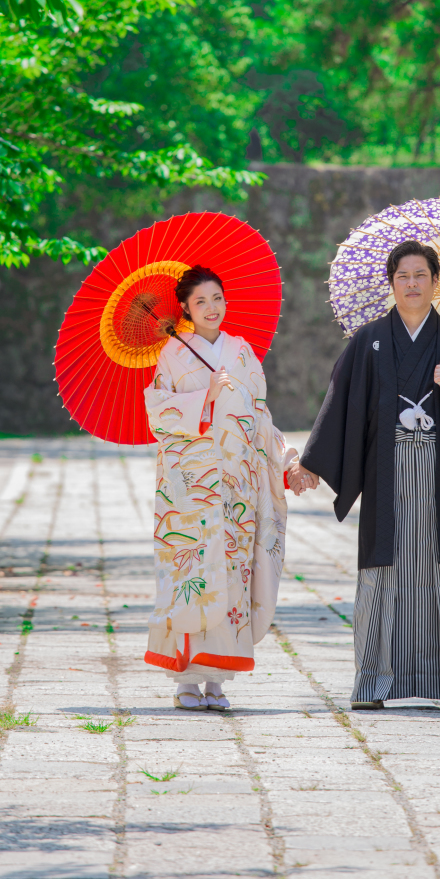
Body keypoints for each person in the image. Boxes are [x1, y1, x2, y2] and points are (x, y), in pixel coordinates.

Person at [291, 240, 440, 712]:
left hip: (438, 472)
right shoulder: (370, 339)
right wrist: (310, 463)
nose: (411, 284)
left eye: (420, 275)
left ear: (436, 281)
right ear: (392, 283)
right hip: (387, 473)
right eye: (403, 276)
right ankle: (371, 681)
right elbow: (339, 402)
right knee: (382, 572)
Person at [144, 264, 299, 711]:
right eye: (200, 302)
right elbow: (158, 414)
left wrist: (287, 461)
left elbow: (260, 417)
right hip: (190, 486)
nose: (212, 308)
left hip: (237, 485)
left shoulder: (243, 352)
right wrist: (204, 397)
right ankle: (186, 681)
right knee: (193, 574)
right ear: (187, 310)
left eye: (217, 298)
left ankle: (218, 680)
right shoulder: (172, 355)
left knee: (232, 576)